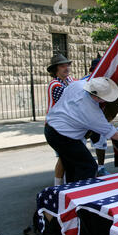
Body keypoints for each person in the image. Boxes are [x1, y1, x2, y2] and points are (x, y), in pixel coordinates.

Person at [44, 77, 118, 183]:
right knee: (88, 166)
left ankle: (69, 191)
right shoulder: (92, 113)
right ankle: (79, 193)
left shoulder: (78, 85)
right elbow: (112, 133)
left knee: (72, 165)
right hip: (63, 137)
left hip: (51, 127)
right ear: (98, 98)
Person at [46, 53, 75, 186]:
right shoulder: (55, 85)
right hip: (57, 127)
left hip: (66, 125)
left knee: (66, 156)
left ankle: (63, 184)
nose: (66, 68)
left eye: (67, 65)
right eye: (62, 66)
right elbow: (69, 101)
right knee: (63, 157)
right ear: (55, 70)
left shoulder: (70, 80)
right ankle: (57, 185)